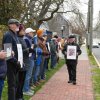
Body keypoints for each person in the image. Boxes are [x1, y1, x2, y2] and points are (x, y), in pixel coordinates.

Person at [2, 19, 21, 100]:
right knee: (12, 85)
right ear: (10, 25)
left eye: (18, 24)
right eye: (16, 24)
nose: (18, 26)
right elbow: (8, 53)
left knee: (15, 84)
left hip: (15, 63)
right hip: (10, 64)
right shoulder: (8, 35)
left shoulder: (14, 35)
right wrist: (16, 62)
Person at [23, 28, 36, 96]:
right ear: (28, 33)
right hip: (28, 59)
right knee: (28, 75)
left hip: (31, 58)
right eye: (31, 32)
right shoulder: (26, 39)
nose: (33, 33)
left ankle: (27, 88)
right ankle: (25, 90)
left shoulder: (30, 39)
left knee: (29, 75)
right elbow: (27, 50)